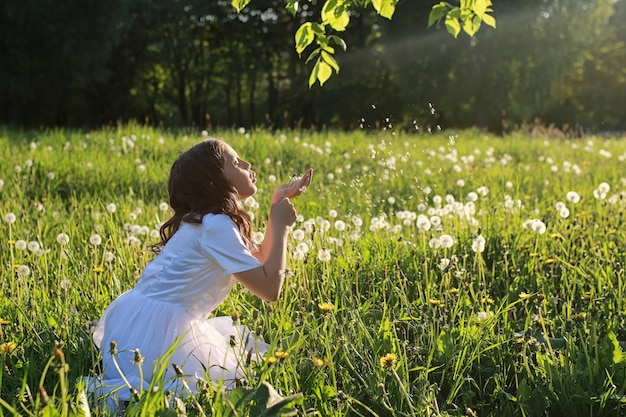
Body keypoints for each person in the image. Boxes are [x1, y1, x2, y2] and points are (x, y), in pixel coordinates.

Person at [86, 138, 313, 410]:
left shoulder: (208, 221)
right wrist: (282, 227)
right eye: (235, 162)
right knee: (199, 388)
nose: (247, 164)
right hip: (153, 340)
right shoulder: (216, 226)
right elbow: (269, 288)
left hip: (137, 324)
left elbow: (259, 258)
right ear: (214, 181)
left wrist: (277, 201)